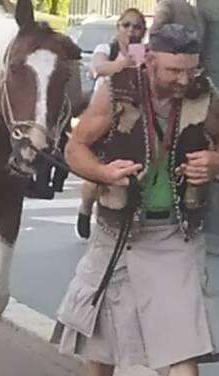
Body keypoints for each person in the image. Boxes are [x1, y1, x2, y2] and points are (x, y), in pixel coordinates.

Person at [51, 24, 219, 376]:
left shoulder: (203, 96)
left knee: (184, 333)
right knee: (100, 332)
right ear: (150, 60)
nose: (183, 79)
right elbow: (75, 147)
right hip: (118, 230)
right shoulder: (116, 92)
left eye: (189, 69)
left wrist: (217, 163)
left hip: (176, 231)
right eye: (173, 70)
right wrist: (103, 172)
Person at [75, 8, 147, 240]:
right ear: (118, 28)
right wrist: (124, 63)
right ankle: (85, 208)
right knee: (95, 176)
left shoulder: (145, 54)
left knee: (127, 170)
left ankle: (124, 219)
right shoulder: (107, 49)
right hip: (102, 118)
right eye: (126, 25)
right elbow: (100, 67)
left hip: (131, 119)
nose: (131, 31)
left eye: (137, 26)